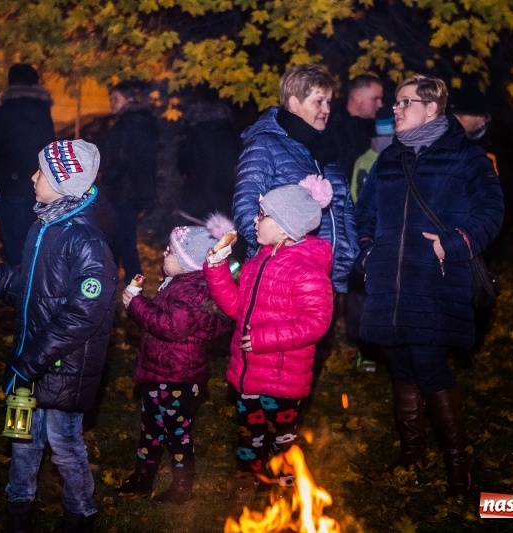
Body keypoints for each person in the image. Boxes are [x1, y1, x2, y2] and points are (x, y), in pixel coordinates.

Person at [355, 75, 504, 499]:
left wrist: (453, 245)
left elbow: (492, 210)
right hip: (390, 283)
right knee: (401, 364)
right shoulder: (389, 158)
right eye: (396, 101)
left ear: (433, 108)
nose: (396, 109)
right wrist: (368, 252)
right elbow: (364, 213)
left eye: (406, 102)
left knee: (429, 364)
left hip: (435, 281)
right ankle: (412, 454)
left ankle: (457, 465)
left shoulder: (466, 157)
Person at [0, 140, 116, 532]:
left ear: (65, 184)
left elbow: (82, 314)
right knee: (22, 440)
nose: (33, 178)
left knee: (65, 446)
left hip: (62, 368)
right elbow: (29, 285)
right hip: (28, 362)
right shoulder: (42, 227)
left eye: (42, 173)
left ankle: (80, 513)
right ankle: (18, 507)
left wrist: (30, 362)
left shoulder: (87, 243)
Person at [206, 176, 335, 508]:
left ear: (284, 227)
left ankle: (288, 487)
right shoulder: (256, 263)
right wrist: (217, 269)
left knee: (282, 438)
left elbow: (316, 322)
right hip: (249, 373)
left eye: (263, 215)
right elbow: (236, 307)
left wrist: (263, 339)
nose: (255, 219)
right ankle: (247, 479)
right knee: (248, 434)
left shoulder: (307, 271)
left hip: (282, 378)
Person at [231, 63, 358, 375]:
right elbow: (246, 208)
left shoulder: (325, 149)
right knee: (276, 367)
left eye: (329, 102)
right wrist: (279, 261)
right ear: (293, 103)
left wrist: (344, 265)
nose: (326, 109)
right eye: (319, 101)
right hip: (281, 282)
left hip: (322, 276)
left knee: (308, 364)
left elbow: (342, 211)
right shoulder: (266, 145)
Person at [118, 215, 233, 503]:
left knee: (177, 433)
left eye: (170, 250)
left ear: (188, 261)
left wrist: (136, 305)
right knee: (151, 427)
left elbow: (169, 326)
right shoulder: (177, 284)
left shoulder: (192, 293)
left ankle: (182, 486)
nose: (164, 253)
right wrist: (138, 299)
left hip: (178, 377)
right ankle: (143, 476)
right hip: (159, 371)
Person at [0, 63, 55, 268]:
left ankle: (19, 279)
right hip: (38, 185)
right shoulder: (43, 112)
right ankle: (30, 275)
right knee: (31, 237)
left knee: (12, 238)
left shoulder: (5, 111)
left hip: (9, 185)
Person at [346, 115, 395, 373]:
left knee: (366, 296)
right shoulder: (401, 158)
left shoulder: (363, 160)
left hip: (367, 238)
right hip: (390, 238)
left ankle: (367, 355)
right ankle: (386, 352)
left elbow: (356, 196)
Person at [101, 79, 159, 284]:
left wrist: (106, 179)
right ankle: (114, 283)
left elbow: (120, 159)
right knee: (120, 240)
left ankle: (132, 287)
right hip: (136, 191)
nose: (112, 103)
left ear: (128, 100)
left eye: (115, 99)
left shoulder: (125, 125)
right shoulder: (145, 123)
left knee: (123, 242)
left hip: (122, 191)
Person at [176, 99, 239, 223]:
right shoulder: (233, 138)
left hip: (195, 203)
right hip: (226, 204)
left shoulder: (192, 136)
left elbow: (184, 164)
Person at [328, 73, 385, 181]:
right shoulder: (332, 128)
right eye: (375, 99)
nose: (380, 104)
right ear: (357, 98)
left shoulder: (375, 128)